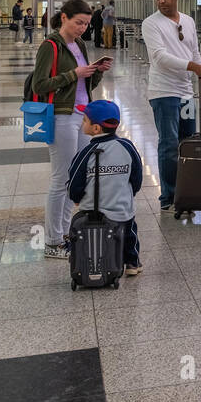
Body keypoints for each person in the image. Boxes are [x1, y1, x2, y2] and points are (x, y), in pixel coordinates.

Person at [30, 0, 113, 259]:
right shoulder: (50, 46)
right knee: (61, 178)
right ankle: (52, 241)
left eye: (87, 24)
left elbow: (84, 84)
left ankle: (65, 233)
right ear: (64, 17)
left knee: (75, 177)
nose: (82, 28)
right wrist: (73, 74)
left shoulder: (79, 44)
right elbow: (40, 85)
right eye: (79, 22)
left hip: (81, 115)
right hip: (61, 116)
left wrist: (96, 71)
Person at [141, 0, 201, 213]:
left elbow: (194, 52)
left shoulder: (189, 21)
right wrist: (193, 67)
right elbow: (159, 57)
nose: (161, 1)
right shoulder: (151, 24)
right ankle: (169, 197)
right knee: (169, 144)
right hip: (163, 94)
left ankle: (187, 191)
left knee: (188, 143)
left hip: (186, 93)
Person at [66, 99, 144, 276]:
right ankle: (132, 263)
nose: (82, 123)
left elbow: (74, 182)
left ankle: (94, 260)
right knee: (130, 233)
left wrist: (77, 198)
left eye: (85, 120)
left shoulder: (85, 153)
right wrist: (130, 193)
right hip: (121, 208)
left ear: (96, 129)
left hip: (91, 213)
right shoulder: (127, 146)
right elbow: (137, 176)